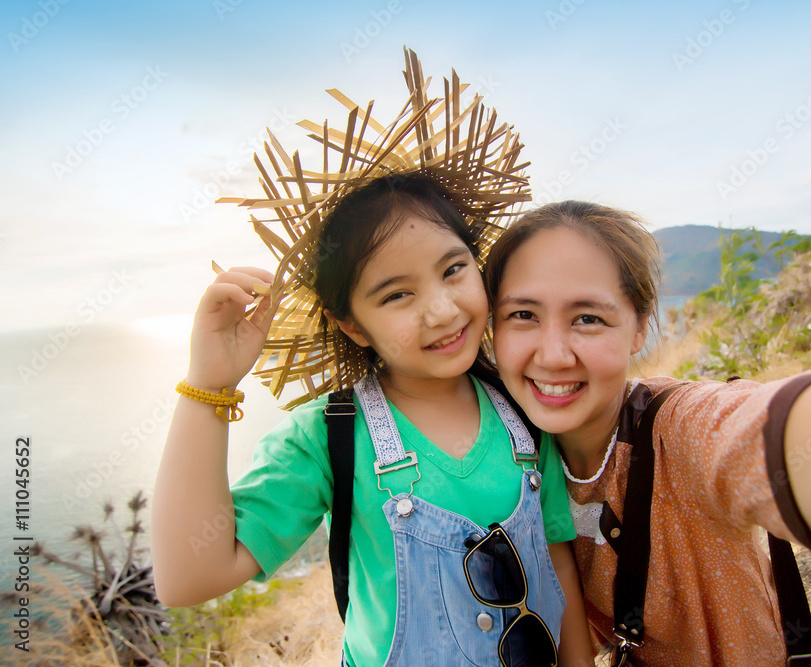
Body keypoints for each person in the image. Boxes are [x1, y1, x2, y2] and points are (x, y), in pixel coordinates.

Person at [152, 53, 593, 667]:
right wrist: (207, 384)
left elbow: (556, 561)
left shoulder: (523, 409)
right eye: (397, 295)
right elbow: (187, 577)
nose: (441, 311)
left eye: (453, 269)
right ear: (351, 323)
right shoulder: (330, 436)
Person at [482, 200, 811, 666]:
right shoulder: (511, 457)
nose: (552, 354)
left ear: (640, 328)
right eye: (523, 314)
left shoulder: (682, 429)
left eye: (588, 318)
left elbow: (784, 435)